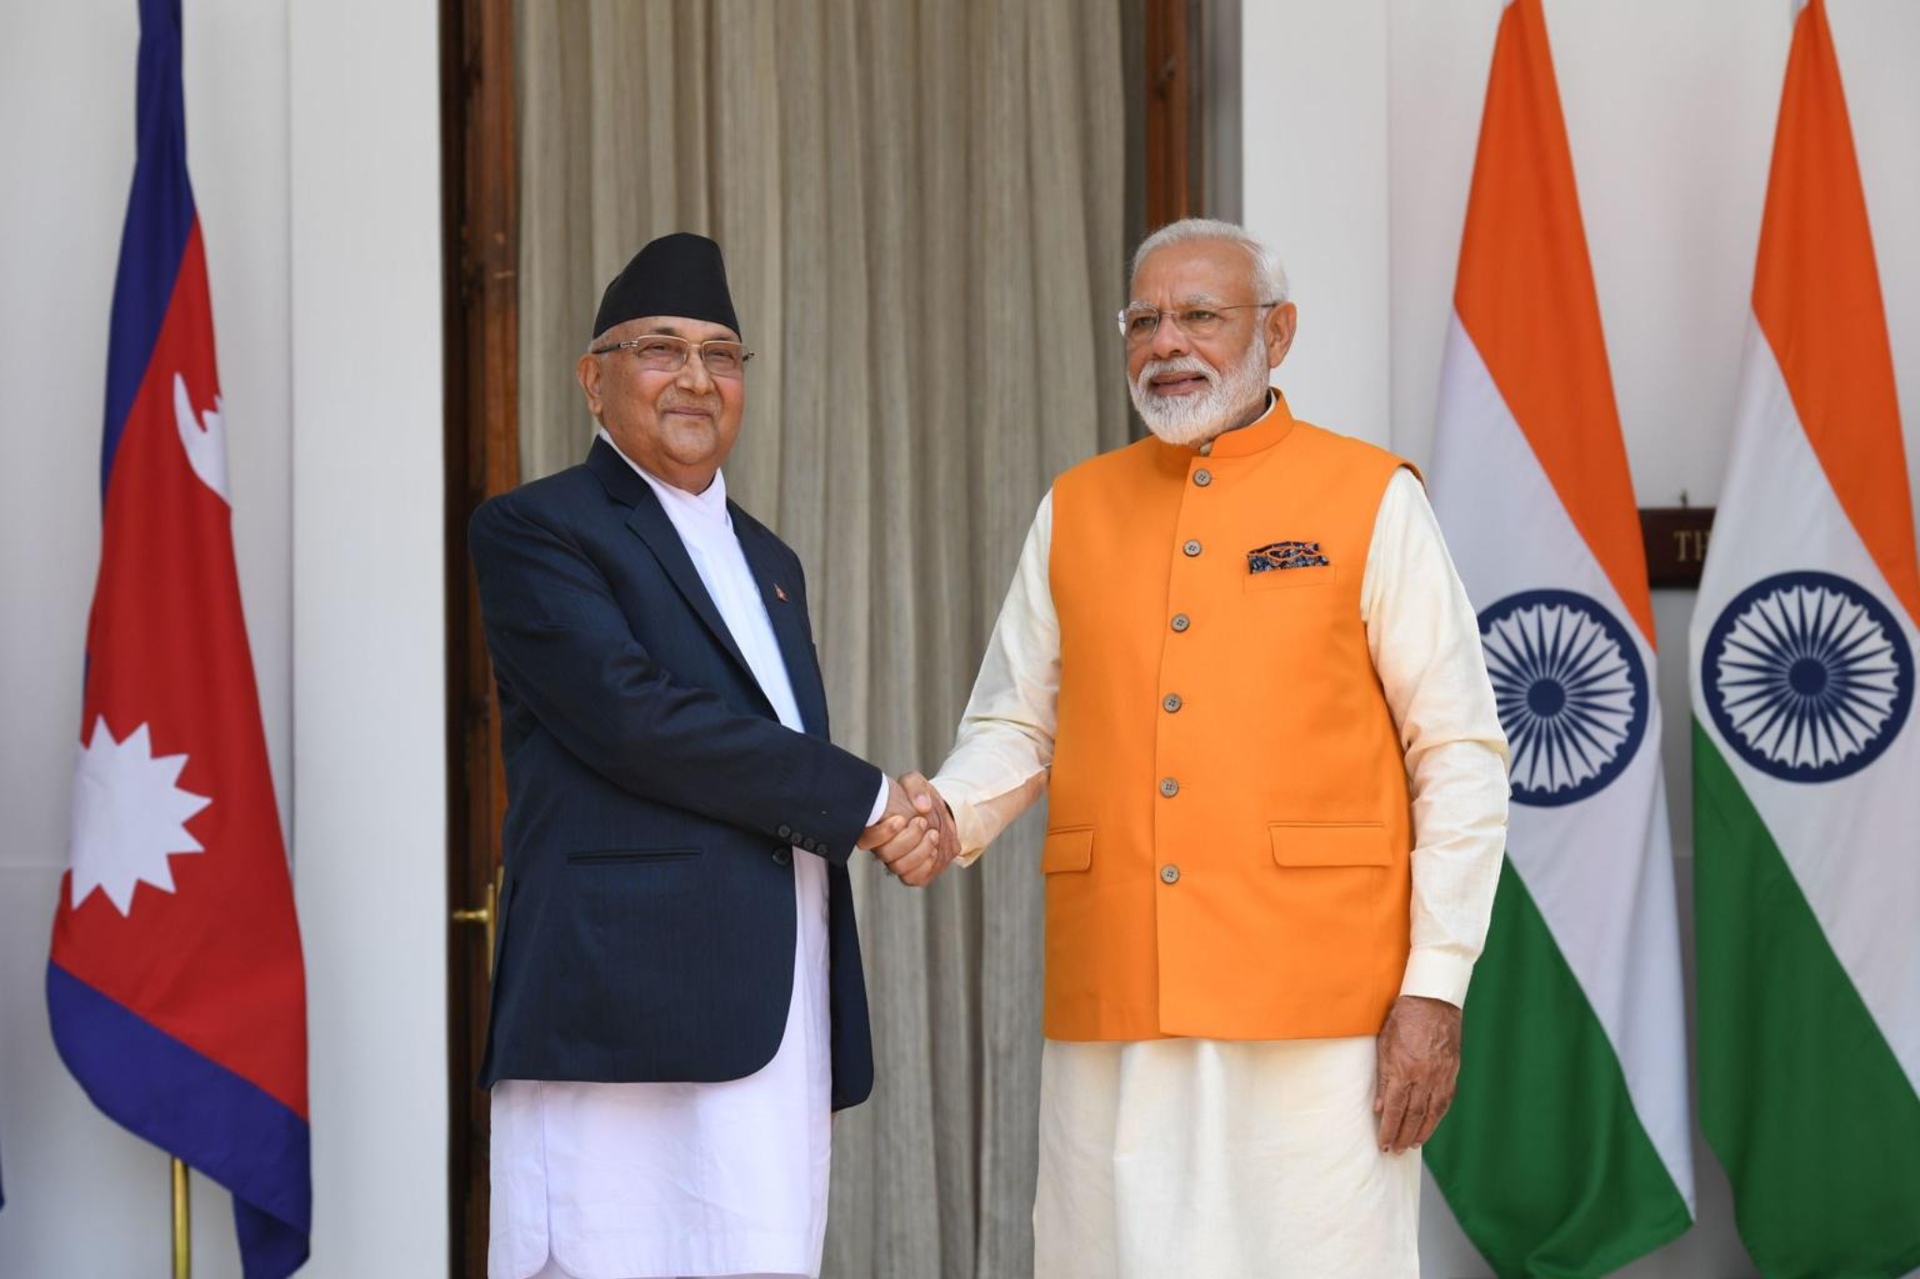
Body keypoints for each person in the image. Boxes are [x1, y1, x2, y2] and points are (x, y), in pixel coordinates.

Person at [902, 218, 1510, 1275]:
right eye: (1144, 320)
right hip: (1117, 1002)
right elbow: (1016, 719)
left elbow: (1457, 751)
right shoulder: (1075, 506)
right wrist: (949, 813)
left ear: (1278, 331)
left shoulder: (1372, 497)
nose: (1167, 342)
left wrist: (1436, 983)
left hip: (1323, 1010)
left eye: (1199, 315)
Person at [469, 232, 948, 1279]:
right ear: (594, 380)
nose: (695, 377)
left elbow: (765, 755)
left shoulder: (773, 559)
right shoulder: (536, 528)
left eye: (721, 355)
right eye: (661, 349)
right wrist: (874, 801)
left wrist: (882, 810)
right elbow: (635, 719)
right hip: (620, 1018)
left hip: (774, 1006)